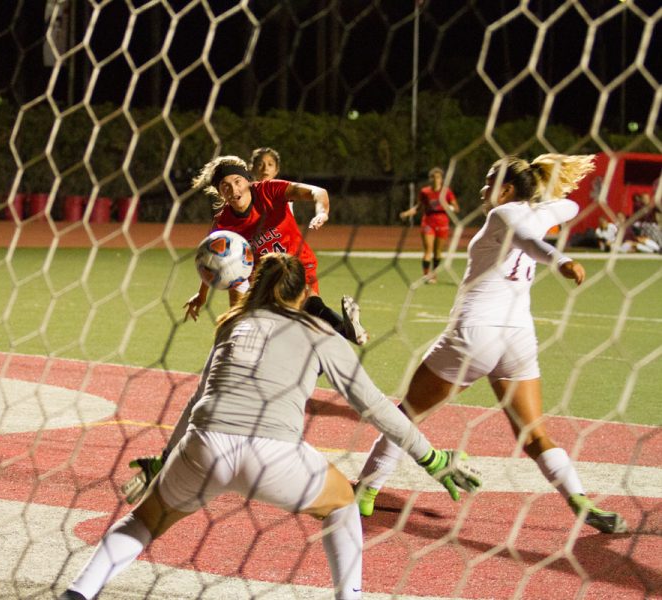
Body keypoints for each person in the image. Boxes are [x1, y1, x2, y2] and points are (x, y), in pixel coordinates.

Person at [59, 254, 481, 600]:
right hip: (274, 456)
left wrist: (165, 460)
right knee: (343, 504)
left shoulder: (232, 325)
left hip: (203, 446)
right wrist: (432, 457)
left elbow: (195, 399)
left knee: (144, 521)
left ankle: (78, 593)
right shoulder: (319, 332)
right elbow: (373, 407)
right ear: (305, 294)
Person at [355, 153, 627, 534]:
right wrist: (544, 197)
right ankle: (577, 496)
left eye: (488, 182)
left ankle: (365, 491)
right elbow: (569, 205)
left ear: (508, 190)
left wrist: (561, 260)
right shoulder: (537, 213)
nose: (483, 190)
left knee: (407, 415)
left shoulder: (503, 215)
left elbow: (531, 243)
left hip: (475, 333)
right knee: (533, 434)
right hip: (517, 338)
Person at [183, 155, 368, 346]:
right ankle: (346, 330)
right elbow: (212, 259)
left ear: (248, 180)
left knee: (305, 306)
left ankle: (343, 331)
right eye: (225, 186)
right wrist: (202, 294)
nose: (233, 189)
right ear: (220, 193)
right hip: (264, 280)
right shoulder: (223, 223)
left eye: (237, 181)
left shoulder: (268, 190)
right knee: (305, 328)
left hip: (298, 263)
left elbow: (317, 192)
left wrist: (322, 212)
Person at [400, 167, 460, 284]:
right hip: (428, 222)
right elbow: (418, 207)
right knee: (428, 250)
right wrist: (407, 213)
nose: (435, 179)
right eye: (433, 177)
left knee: (437, 252)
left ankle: (434, 274)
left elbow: (456, 208)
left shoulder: (446, 192)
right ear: (429, 179)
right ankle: (426, 275)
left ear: (441, 179)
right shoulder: (425, 192)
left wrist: (449, 207)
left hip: (442, 223)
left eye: (438, 177)